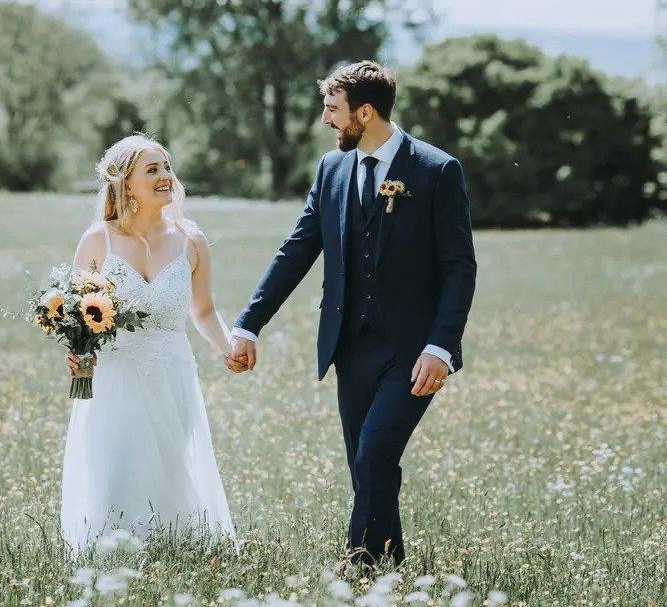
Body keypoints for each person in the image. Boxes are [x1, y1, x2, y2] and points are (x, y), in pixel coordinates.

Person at [228, 61, 477, 569]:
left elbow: (459, 267)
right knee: (367, 464)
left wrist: (442, 347)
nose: (326, 120)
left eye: (333, 109)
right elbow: (297, 250)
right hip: (350, 345)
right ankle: (392, 562)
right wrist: (249, 322)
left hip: (413, 350)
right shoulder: (332, 169)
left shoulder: (435, 170)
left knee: (374, 453)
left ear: (365, 112)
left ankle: (359, 562)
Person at [62, 134, 236, 552]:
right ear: (126, 183)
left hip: (172, 373)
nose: (165, 177)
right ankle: (113, 553)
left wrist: (230, 348)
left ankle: (177, 551)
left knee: (172, 466)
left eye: (167, 168)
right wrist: (79, 359)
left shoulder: (191, 240)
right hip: (115, 376)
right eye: (153, 169)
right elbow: (78, 319)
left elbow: (205, 311)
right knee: (118, 466)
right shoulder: (97, 240)